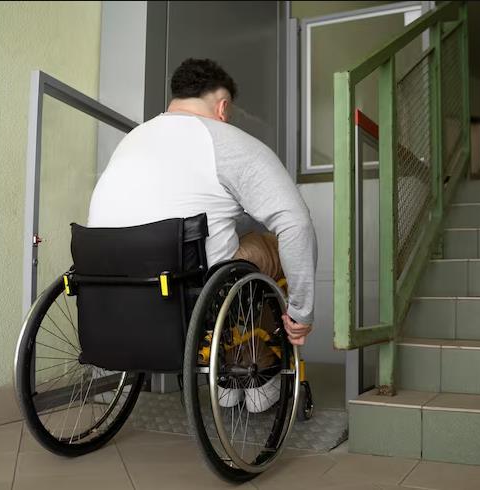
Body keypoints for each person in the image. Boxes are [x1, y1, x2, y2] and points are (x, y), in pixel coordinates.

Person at [87, 58, 316, 411]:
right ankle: (255, 370)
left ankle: (224, 374)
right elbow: (295, 224)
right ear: (223, 107)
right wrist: (302, 313)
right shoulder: (229, 141)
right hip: (193, 285)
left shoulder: (131, 139)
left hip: (106, 283)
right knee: (273, 244)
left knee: (232, 242)